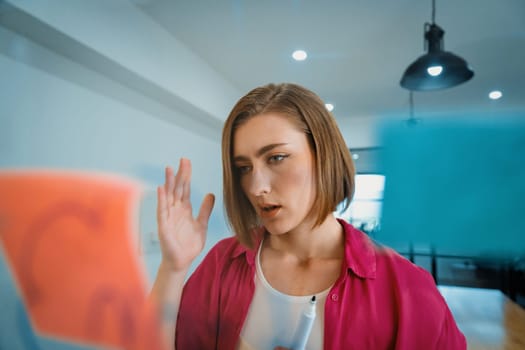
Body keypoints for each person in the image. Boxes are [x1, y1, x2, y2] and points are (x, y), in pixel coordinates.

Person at [150, 83, 466, 349]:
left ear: (323, 155)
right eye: (244, 168)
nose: (257, 187)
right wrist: (173, 266)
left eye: (276, 158)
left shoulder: (408, 290)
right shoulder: (222, 265)